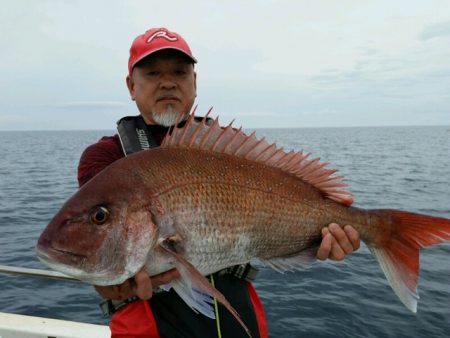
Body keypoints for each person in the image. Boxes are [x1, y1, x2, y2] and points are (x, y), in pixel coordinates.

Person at [77, 27, 360, 338]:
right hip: (148, 322)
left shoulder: (232, 151)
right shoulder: (105, 157)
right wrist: (107, 283)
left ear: (194, 83)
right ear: (131, 86)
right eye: (153, 72)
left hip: (237, 315)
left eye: (180, 72)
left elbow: (280, 218)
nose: (168, 81)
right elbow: (99, 239)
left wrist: (324, 234)